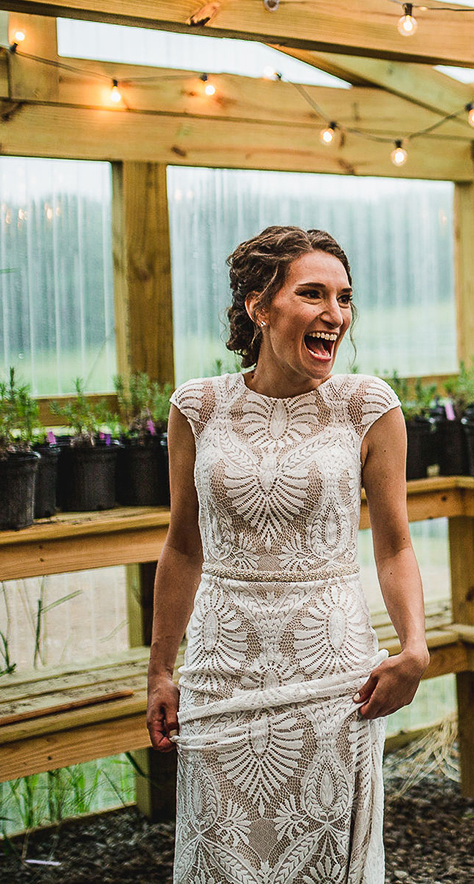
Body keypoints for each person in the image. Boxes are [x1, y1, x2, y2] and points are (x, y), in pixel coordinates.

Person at [145, 225, 429, 883]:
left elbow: (395, 545)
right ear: (258, 304)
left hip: (334, 680)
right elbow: (183, 546)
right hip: (221, 676)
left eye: (344, 297)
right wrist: (162, 670)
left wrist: (414, 646)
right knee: (224, 860)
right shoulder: (198, 407)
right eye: (313, 294)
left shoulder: (368, 406)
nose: (335, 314)